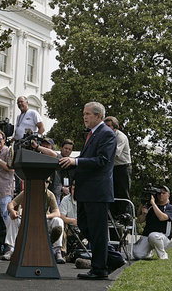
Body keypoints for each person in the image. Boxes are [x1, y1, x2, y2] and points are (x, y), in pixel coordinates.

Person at [59, 101, 117, 279]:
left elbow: (103, 161)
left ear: (98, 116)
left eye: (88, 114)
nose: (84, 117)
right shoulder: (92, 134)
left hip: (97, 192)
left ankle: (99, 269)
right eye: (84, 113)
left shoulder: (107, 134)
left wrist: (76, 161)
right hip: (86, 191)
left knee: (97, 230)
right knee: (84, 225)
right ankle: (113, 258)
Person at [1, 178, 65, 264]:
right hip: (27, 221)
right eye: (43, 181)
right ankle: (10, 248)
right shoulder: (27, 192)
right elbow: (11, 204)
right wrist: (12, 211)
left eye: (47, 182)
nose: (45, 184)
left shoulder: (50, 194)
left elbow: (57, 213)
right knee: (11, 218)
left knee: (58, 221)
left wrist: (45, 216)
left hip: (43, 222)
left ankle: (57, 250)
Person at [133, 186, 172, 260]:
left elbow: (162, 218)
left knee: (153, 236)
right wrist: (144, 213)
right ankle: (149, 253)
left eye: (163, 193)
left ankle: (163, 255)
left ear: (168, 195)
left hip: (162, 236)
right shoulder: (150, 206)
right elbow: (140, 220)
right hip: (147, 235)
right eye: (159, 193)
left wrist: (153, 203)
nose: (161, 195)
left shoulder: (170, 208)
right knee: (137, 254)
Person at [104, 116, 132, 216]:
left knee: (122, 192)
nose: (105, 128)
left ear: (115, 128)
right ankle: (113, 214)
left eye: (108, 126)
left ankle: (124, 215)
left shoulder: (120, 137)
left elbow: (114, 153)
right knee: (111, 191)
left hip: (122, 167)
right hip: (112, 167)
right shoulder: (105, 137)